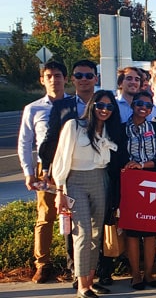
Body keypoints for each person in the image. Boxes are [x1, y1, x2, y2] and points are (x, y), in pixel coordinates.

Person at [51, 90, 124, 298]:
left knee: (96, 234)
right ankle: (81, 284)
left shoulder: (109, 131)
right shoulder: (74, 126)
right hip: (76, 181)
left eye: (109, 107)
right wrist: (59, 190)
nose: (104, 110)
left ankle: (90, 281)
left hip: (101, 180)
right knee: (82, 233)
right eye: (100, 105)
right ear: (92, 105)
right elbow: (61, 159)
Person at [38, 60, 99, 284]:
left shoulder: (104, 103)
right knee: (74, 225)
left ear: (96, 78)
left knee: (96, 225)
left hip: (98, 172)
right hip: (70, 174)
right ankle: (76, 272)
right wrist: (47, 169)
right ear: (72, 79)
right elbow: (50, 140)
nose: (84, 79)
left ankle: (95, 272)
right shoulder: (62, 107)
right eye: (79, 75)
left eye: (88, 75)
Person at [18, 61, 67, 283]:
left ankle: (74, 263)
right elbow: (25, 142)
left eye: (58, 75)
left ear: (65, 78)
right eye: (49, 76)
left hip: (72, 166)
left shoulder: (75, 105)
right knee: (46, 217)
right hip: (46, 169)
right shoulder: (34, 108)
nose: (54, 80)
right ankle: (42, 264)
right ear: (42, 79)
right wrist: (29, 172)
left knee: (74, 215)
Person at [121, 91, 156, 290]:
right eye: (140, 103)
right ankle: (135, 275)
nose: (144, 107)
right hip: (129, 184)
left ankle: (149, 274)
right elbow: (115, 154)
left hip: (152, 182)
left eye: (148, 105)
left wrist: (144, 165)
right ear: (133, 104)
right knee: (132, 232)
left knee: (150, 232)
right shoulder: (121, 129)